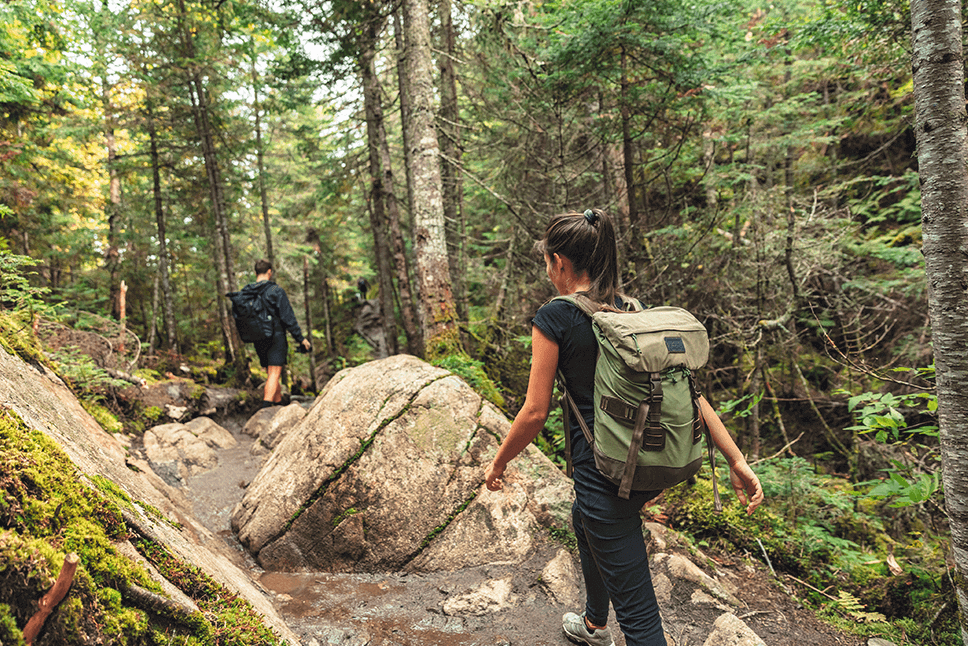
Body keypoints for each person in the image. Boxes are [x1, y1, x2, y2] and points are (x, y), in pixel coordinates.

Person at [483, 209, 764, 646]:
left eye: (546, 261)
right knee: (582, 519)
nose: (546, 269)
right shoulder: (632, 311)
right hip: (642, 462)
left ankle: (611, 624)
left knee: (640, 620)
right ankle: (595, 624)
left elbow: (534, 412)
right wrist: (736, 457)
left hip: (605, 475)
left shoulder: (555, 318)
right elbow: (692, 394)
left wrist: (498, 463)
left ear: (559, 262)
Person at [241, 259, 311, 408]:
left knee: (272, 373)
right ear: (269, 272)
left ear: (255, 273)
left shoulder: (247, 292)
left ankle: (278, 405)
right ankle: (265, 409)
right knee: (274, 372)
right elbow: (288, 317)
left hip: (258, 337)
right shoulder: (276, 291)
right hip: (275, 336)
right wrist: (300, 338)